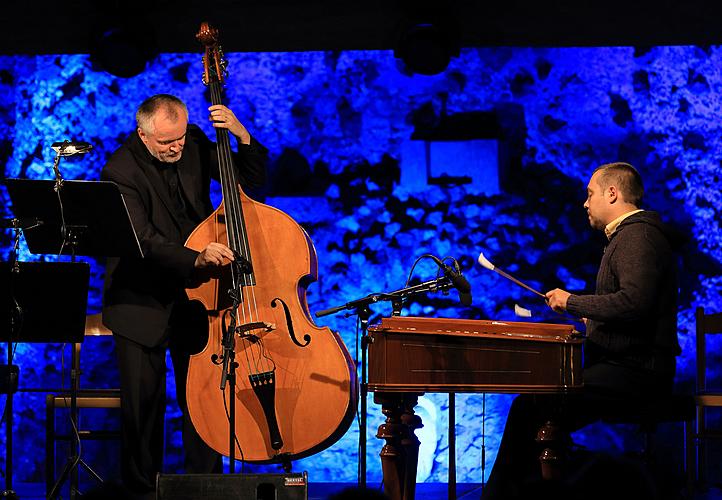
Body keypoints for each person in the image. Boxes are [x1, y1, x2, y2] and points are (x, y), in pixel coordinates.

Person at [101, 94, 267, 499]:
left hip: (199, 296)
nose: (175, 147)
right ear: (143, 134)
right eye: (165, 142)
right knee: (143, 407)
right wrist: (196, 257)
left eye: (178, 138)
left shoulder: (192, 143)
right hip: (141, 299)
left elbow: (248, 188)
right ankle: (142, 491)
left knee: (205, 398)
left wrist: (242, 138)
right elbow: (144, 242)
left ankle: (204, 487)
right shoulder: (120, 170)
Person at [481, 162, 681, 499]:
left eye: (590, 194)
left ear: (613, 193)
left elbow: (635, 303)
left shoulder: (637, 235)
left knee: (529, 408)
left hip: (637, 372)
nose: (585, 203)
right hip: (628, 367)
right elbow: (630, 307)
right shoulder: (631, 236)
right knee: (532, 408)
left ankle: (505, 496)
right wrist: (594, 319)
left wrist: (573, 302)